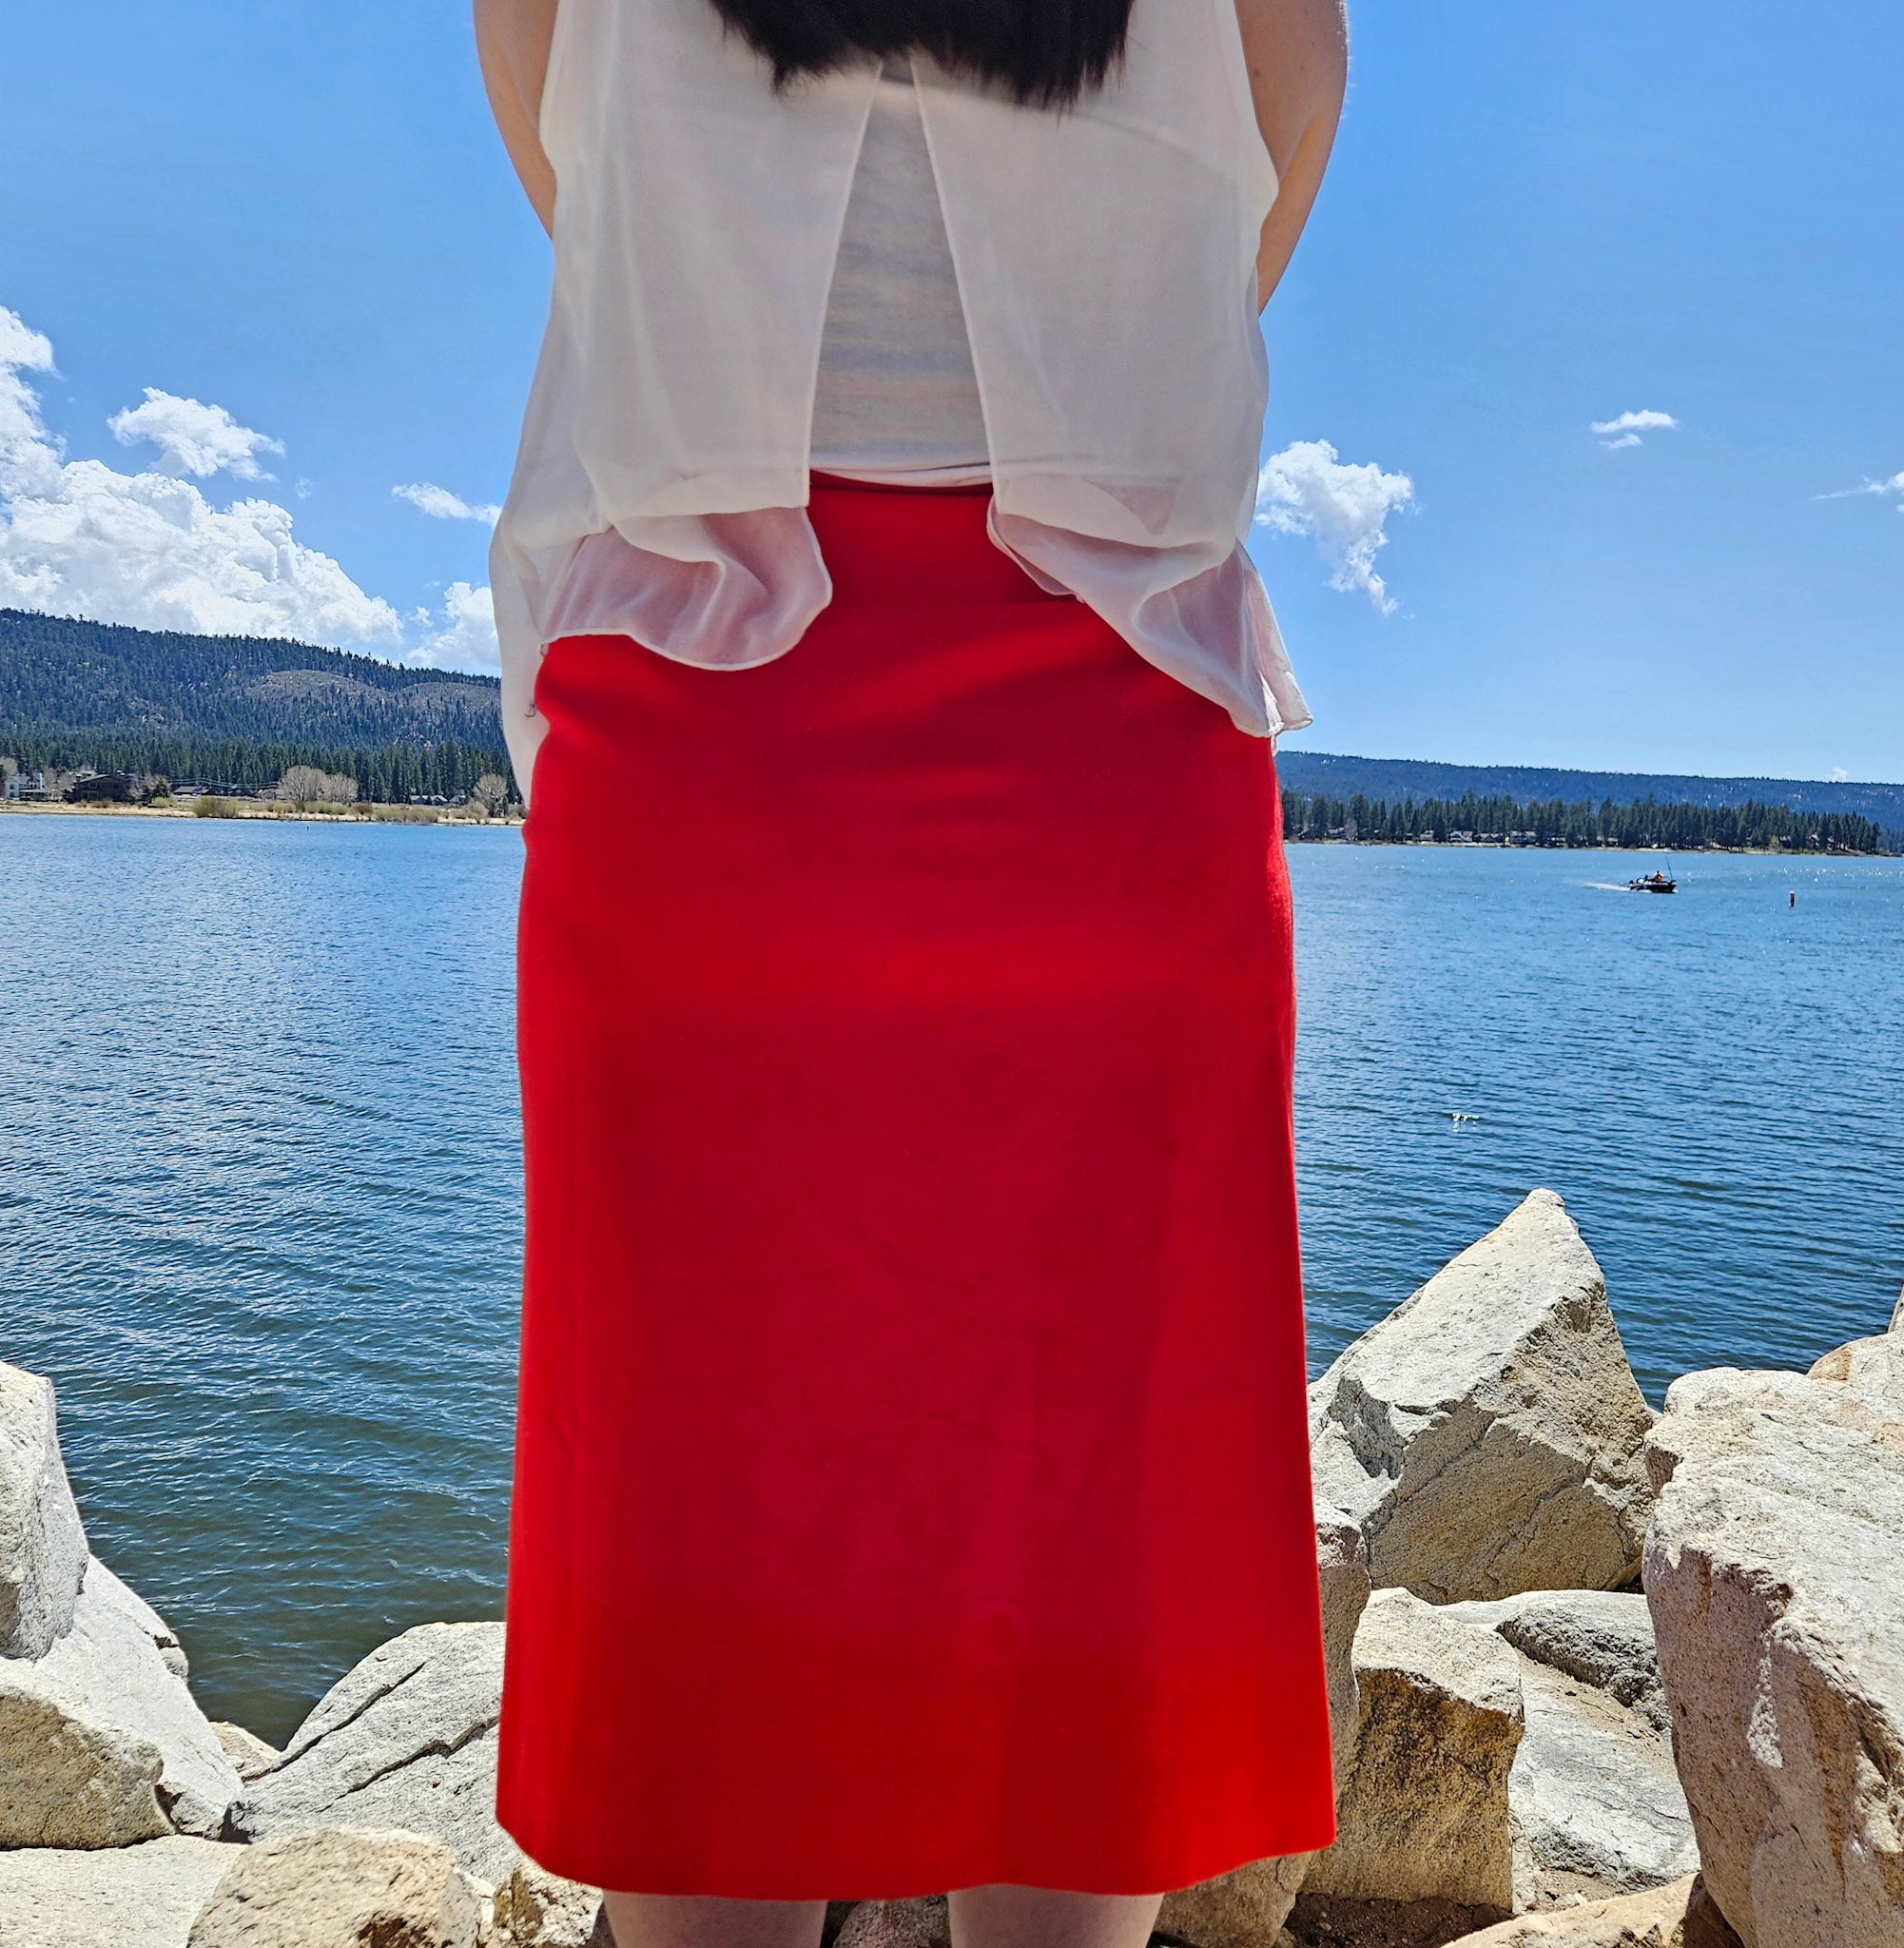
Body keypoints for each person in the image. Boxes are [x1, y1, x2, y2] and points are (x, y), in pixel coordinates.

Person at [472, 2, 1349, 1944]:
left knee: (702, 1662)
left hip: (708, 727)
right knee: (1077, 1629)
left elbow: (562, 150)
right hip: (1102, 728)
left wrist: (738, 276)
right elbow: (1277, 134)